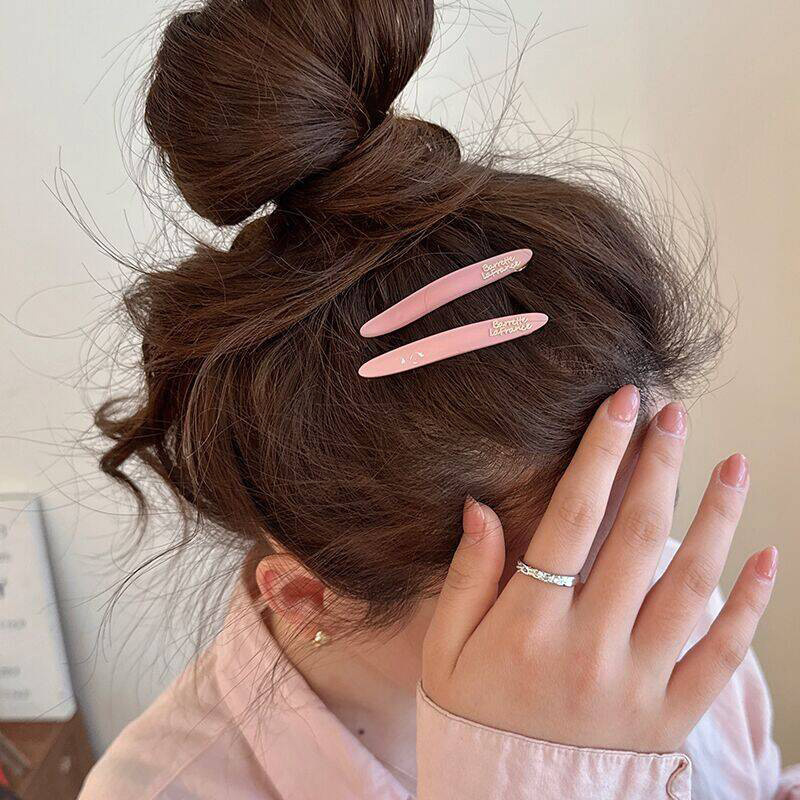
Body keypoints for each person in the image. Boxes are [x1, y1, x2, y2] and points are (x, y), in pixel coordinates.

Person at [77, 0, 799, 797]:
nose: (637, 603)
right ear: (308, 598)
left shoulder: (661, 599)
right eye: (554, 583)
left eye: (637, 514)